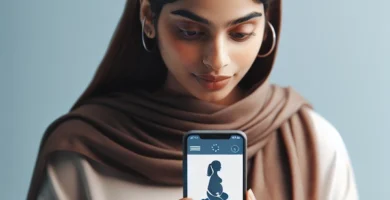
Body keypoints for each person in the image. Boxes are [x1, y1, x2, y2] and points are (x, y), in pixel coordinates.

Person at [26, 0, 359, 199]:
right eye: (190, 31)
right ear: (148, 17)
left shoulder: (314, 144)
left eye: (241, 34)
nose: (217, 61)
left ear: (267, 24)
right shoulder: (81, 155)